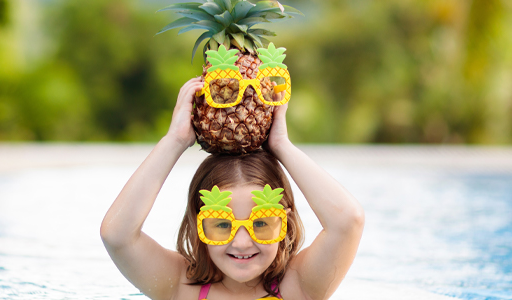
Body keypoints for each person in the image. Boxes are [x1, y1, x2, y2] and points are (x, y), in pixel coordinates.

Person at [100, 77, 365, 300]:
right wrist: (175, 140)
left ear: (284, 223)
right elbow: (117, 235)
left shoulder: (298, 286)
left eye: (261, 224)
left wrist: (282, 145)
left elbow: (348, 221)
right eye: (222, 224)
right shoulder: (181, 286)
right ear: (198, 225)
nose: (241, 242)